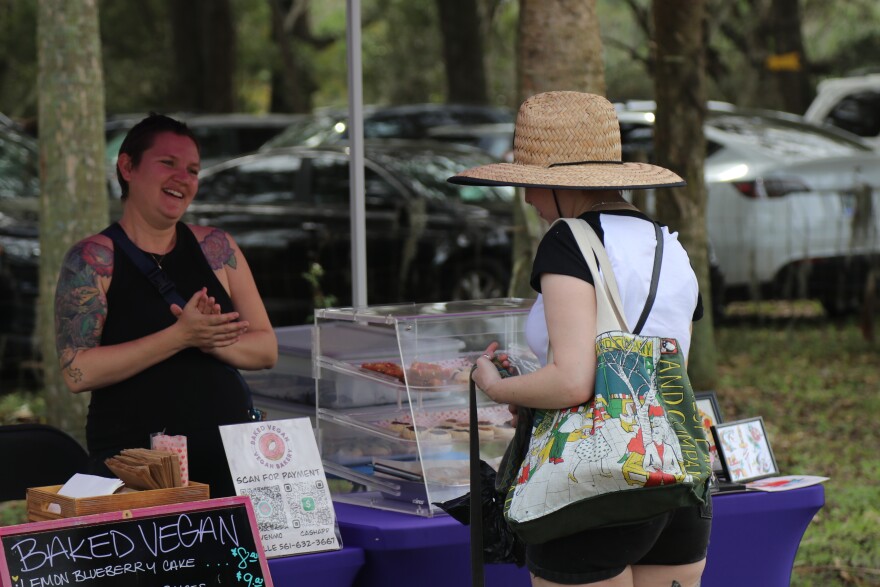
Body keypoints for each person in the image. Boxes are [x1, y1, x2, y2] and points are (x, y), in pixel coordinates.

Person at [448, 92, 710, 587]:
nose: (526, 198)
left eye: (530, 184)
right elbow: (665, 374)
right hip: (674, 483)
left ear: (560, 184)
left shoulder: (569, 241)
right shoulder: (670, 246)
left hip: (594, 487)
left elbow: (572, 382)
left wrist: (497, 386)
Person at [54, 113, 278, 497]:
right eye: (168, 164)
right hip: (137, 471)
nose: (183, 178)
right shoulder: (92, 259)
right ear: (127, 167)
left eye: (192, 170)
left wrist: (209, 340)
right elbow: (78, 371)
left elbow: (266, 350)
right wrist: (180, 336)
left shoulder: (217, 249)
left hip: (231, 460)